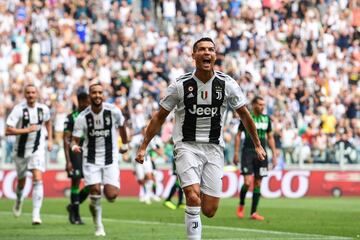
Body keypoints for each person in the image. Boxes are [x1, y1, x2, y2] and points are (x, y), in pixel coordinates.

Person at [135, 37, 266, 240]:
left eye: (211, 49)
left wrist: (257, 144)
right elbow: (159, 117)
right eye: (202, 49)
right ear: (193, 55)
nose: (207, 52)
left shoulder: (227, 84)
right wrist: (144, 146)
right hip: (186, 146)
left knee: (210, 210)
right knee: (193, 196)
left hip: (214, 149)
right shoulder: (180, 85)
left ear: (215, 55)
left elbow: (245, 115)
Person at [71, 83, 128, 236]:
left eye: (100, 93)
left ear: (104, 95)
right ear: (90, 95)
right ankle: (98, 225)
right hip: (91, 159)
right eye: (94, 93)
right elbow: (74, 140)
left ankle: (97, 195)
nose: (97, 95)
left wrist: (125, 144)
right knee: (95, 191)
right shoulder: (83, 117)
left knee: (111, 196)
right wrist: (74, 147)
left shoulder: (113, 111)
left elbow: (122, 126)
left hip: (110, 158)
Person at [5, 84, 53, 225]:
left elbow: (48, 122)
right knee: (22, 181)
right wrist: (27, 130)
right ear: (25, 95)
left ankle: (36, 214)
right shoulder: (18, 110)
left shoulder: (43, 109)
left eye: (33, 92)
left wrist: (49, 139)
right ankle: (19, 200)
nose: (31, 95)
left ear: (37, 94)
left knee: (38, 177)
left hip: (37, 149)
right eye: (28, 93)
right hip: (20, 150)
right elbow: (8, 130)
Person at [233, 96, 277, 221]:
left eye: (263, 104)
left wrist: (274, 155)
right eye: (259, 104)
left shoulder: (267, 119)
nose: (262, 107)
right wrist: (236, 153)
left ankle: (253, 212)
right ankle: (241, 204)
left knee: (258, 182)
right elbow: (238, 135)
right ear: (253, 104)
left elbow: (270, 137)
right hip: (247, 152)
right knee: (247, 182)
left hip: (262, 154)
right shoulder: (247, 117)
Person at [63, 91, 90, 224]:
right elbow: (66, 140)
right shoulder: (71, 118)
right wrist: (68, 161)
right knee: (76, 180)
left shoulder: (91, 116)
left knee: (92, 184)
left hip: (89, 152)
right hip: (76, 153)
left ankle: (72, 207)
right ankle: (76, 216)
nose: (90, 104)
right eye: (88, 102)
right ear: (82, 102)